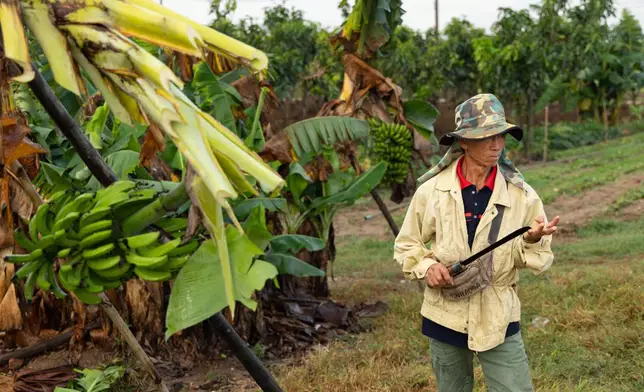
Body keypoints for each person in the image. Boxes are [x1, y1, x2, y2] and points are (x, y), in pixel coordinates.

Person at [394, 93, 560, 392]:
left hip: (498, 311)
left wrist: (533, 239)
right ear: (464, 142)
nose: (496, 144)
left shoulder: (521, 195)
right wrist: (428, 266)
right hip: (446, 312)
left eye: (501, 136)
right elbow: (407, 245)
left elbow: (532, 256)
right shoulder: (432, 191)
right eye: (487, 137)